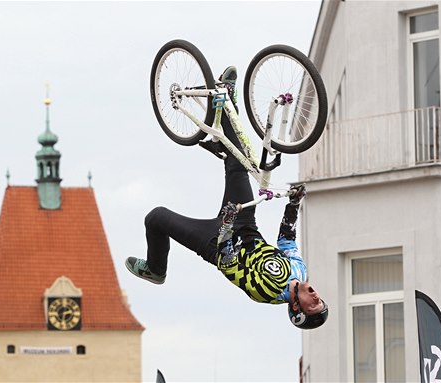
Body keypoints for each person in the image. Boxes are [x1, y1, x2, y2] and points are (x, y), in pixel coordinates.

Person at [125, 67, 328, 330]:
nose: (315, 295)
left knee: (156, 218)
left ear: (296, 308)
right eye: (319, 299)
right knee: (238, 162)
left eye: (313, 303)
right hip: (245, 225)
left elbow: (229, 259)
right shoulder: (299, 272)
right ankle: (228, 103)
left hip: (216, 242)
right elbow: (286, 240)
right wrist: (294, 203)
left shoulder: (265, 292)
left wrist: (227, 224)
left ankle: (155, 270)